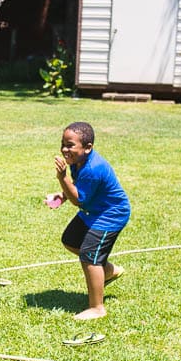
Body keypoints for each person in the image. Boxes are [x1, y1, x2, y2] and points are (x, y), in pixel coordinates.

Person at [46, 122, 131, 320]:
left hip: (110, 215)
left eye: (70, 145)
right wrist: (62, 195)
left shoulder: (93, 168)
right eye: (63, 144)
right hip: (93, 210)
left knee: (89, 256)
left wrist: (62, 178)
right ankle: (108, 271)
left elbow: (79, 199)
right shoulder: (79, 162)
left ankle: (97, 308)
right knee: (71, 240)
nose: (65, 149)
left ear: (88, 147)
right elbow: (79, 187)